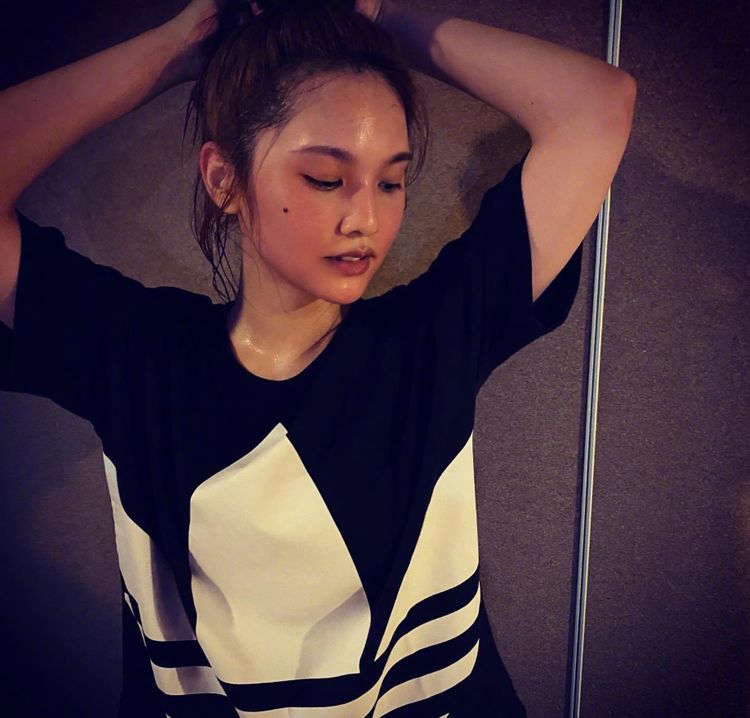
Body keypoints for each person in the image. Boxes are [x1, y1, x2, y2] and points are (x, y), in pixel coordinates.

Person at [0, 0, 636, 715]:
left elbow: (597, 107)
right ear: (224, 179)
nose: (366, 218)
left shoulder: (433, 339)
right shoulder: (134, 360)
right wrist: (182, 46)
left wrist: (380, 16)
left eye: (391, 182)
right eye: (327, 179)